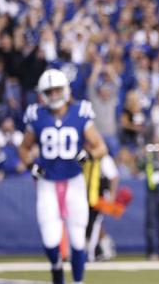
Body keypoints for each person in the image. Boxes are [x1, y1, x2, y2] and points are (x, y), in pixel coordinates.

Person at [17, 69, 108, 284]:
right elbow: (24, 147)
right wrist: (31, 164)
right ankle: (56, 267)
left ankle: (78, 281)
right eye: (50, 91)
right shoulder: (36, 115)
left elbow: (101, 147)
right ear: (42, 93)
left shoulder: (81, 112)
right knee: (50, 239)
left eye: (58, 90)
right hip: (47, 183)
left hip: (74, 181)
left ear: (65, 90)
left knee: (78, 239)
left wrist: (88, 155)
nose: (55, 95)